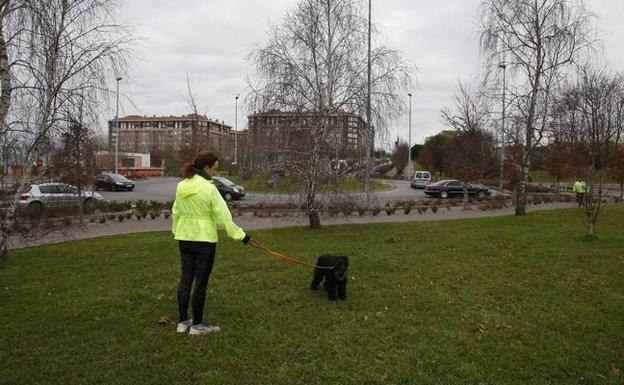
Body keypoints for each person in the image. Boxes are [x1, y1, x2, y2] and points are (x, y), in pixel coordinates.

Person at [171, 150, 251, 335]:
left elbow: (176, 211)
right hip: (204, 242)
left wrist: (176, 229)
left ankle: (183, 323)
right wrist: (241, 236)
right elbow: (224, 217)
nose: (216, 172)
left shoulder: (182, 185)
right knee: (200, 283)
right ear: (206, 167)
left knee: (185, 280)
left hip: (184, 239)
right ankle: (197, 326)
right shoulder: (209, 188)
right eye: (215, 168)